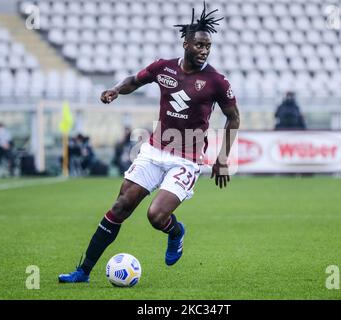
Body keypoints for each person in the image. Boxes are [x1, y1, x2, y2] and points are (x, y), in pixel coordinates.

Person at [59, 3, 240, 283]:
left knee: (155, 215)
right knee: (121, 206)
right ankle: (83, 272)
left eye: (208, 46)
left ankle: (176, 231)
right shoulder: (163, 68)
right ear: (186, 43)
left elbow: (233, 118)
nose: (204, 50)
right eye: (200, 44)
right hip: (154, 150)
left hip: (187, 158)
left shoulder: (216, 81)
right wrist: (116, 90)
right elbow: (134, 80)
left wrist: (223, 158)